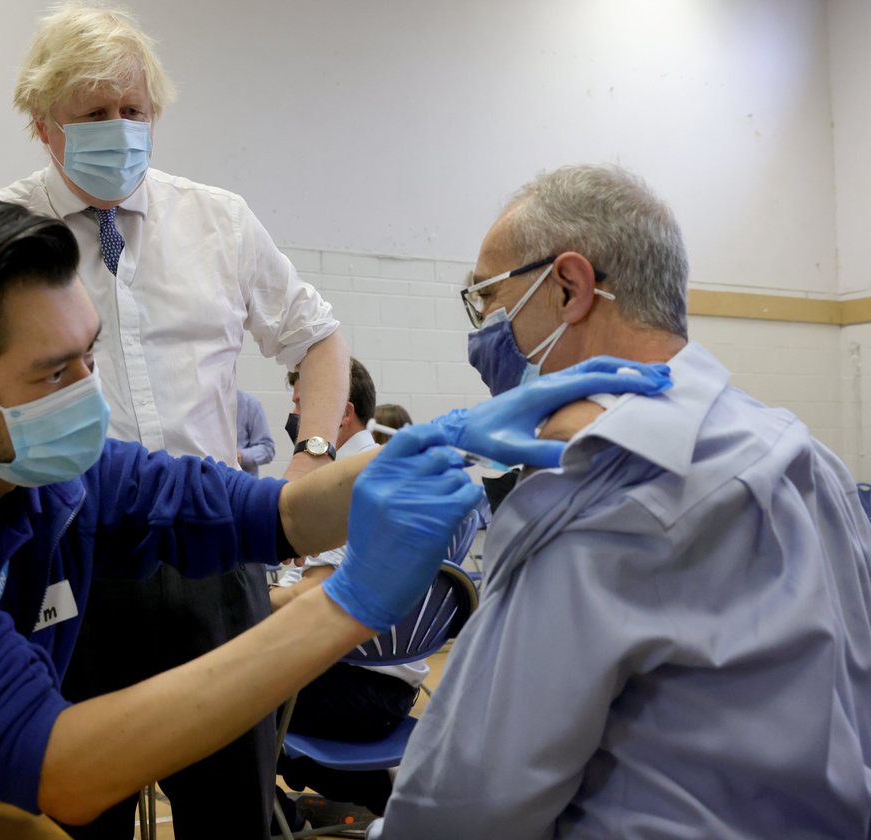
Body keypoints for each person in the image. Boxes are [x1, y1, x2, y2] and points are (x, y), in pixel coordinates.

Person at [0, 192, 667, 828]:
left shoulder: (49, 477)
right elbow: (63, 765)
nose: (88, 389)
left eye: (90, 349)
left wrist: (433, 442)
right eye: (55, 370)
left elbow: (263, 516)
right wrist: (347, 605)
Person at [0, 6, 351, 835]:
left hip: (210, 549)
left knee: (236, 811)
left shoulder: (218, 221)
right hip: (62, 556)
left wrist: (314, 456)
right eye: (94, 114)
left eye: (135, 112)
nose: (121, 130)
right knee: (72, 810)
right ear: (43, 127)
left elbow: (318, 339)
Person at [369, 164, 871, 838]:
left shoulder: (599, 499)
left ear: (570, 286)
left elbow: (464, 808)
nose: (481, 329)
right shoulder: (809, 460)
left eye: (485, 297)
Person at [271, 359, 418, 828]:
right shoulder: (379, 468)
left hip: (359, 689)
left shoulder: (351, 481)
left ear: (342, 413)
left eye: (301, 405)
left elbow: (306, 601)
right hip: (389, 685)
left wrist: (234, 597)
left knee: (212, 693)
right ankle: (377, 791)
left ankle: (279, 820)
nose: (295, 416)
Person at [237, 389, 276, 477]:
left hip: (241, 484)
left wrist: (240, 456)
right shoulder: (201, 403)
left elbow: (267, 449)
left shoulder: (249, 404)